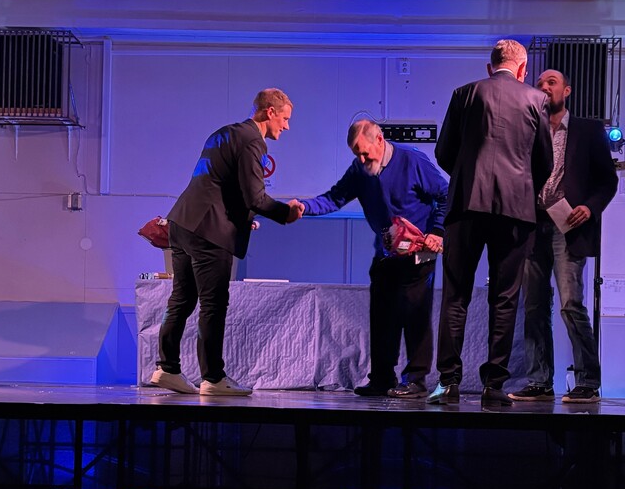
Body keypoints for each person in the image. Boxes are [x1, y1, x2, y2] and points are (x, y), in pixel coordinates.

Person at [150, 88, 303, 396]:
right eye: (285, 119)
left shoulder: (225, 132)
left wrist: (243, 218)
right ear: (270, 112)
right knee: (213, 304)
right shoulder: (253, 141)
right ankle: (213, 378)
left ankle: (167, 368)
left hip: (182, 223)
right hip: (209, 232)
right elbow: (255, 197)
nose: (287, 126)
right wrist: (286, 213)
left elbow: (218, 186)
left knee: (181, 299)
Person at [428, 39, 554, 406]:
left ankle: (448, 383)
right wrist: (520, 185)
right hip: (515, 211)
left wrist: (469, 174)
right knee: (505, 298)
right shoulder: (536, 100)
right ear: (523, 69)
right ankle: (493, 386)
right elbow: (544, 162)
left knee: (456, 295)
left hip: (466, 205)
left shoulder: (464, 93)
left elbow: (443, 152)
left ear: (490, 66)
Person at [300, 119, 448, 397]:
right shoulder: (360, 170)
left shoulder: (412, 161)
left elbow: (445, 194)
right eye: (356, 154)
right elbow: (335, 197)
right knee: (382, 316)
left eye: (365, 153)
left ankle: (415, 380)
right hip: (387, 254)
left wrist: (437, 231)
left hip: (419, 253)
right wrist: (303, 207)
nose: (361, 159)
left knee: (415, 315)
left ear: (379, 140)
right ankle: (382, 378)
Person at [509, 69, 618, 403]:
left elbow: (608, 180)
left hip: (568, 225)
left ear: (566, 91)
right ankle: (539, 381)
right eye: (539, 84)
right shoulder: (529, 129)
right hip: (533, 225)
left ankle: (588, 382)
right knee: (534, 306)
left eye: (551, 82)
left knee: (571, 304)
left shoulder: (588, 130)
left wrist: (590, 207)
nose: (544, 87)